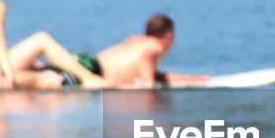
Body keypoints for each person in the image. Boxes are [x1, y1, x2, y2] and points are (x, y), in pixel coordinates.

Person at [79, 14, 209, 88]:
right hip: (94, 72)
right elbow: (148, 84)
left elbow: (152, 73)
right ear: (169, 36)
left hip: (85, 63)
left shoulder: (136, 40)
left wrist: (187, 78)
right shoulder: (154, 47)